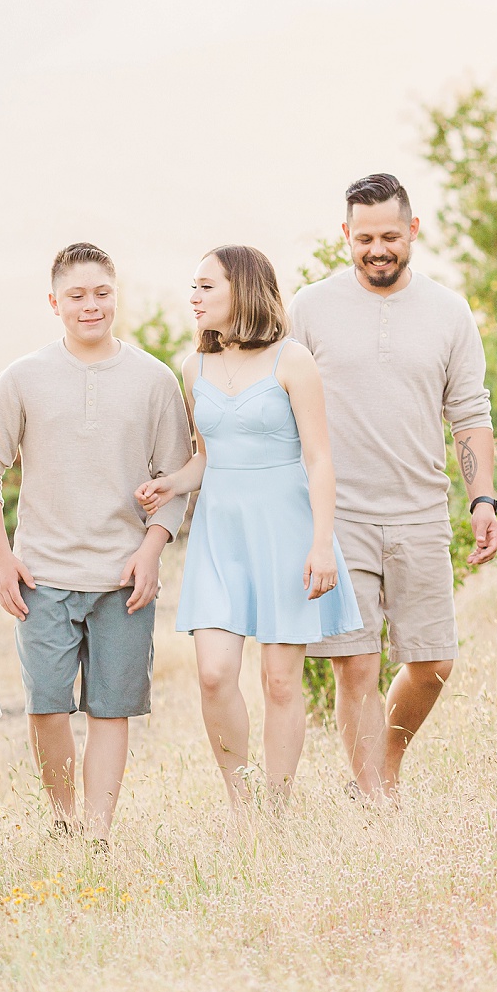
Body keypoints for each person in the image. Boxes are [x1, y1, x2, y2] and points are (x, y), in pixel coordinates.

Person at [0, 243, 191, 847]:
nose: (90, 305)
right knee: (46, 707)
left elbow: (176, 478)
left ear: (116, 295)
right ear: (54, 303)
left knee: (111, 710)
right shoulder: (24, 377)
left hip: (122, 577)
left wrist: (152, 550)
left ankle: (97, 834)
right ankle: (64, 820)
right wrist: (1, 558)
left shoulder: (154, 379)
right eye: (76, 295)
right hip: (42, 574)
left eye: (101, 293)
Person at [290, 173, 497, 799]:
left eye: (389, 235)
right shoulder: (310, 307)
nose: (376, 249)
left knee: (433, 663)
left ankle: (383, 765)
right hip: (338, 515)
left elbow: (470, 412)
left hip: (420, 512)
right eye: (363, 238)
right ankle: (376, 798)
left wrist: (482, 498)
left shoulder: (448, 311)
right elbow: (281, 405)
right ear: (345, 238)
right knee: (354, 665)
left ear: (413, 230)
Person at [136, 245, 363, 812]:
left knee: (281, 682)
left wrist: (321, 545)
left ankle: (276, 812)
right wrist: (172, 484)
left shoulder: (293, 360)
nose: (194, 296)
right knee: (213, 674)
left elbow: (319, 460)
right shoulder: (194, 366)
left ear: (242, 288)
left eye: (206, 286)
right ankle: (242, 804)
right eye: (192, 286)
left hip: (287, 533)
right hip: (220, 535)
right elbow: (207, 455)